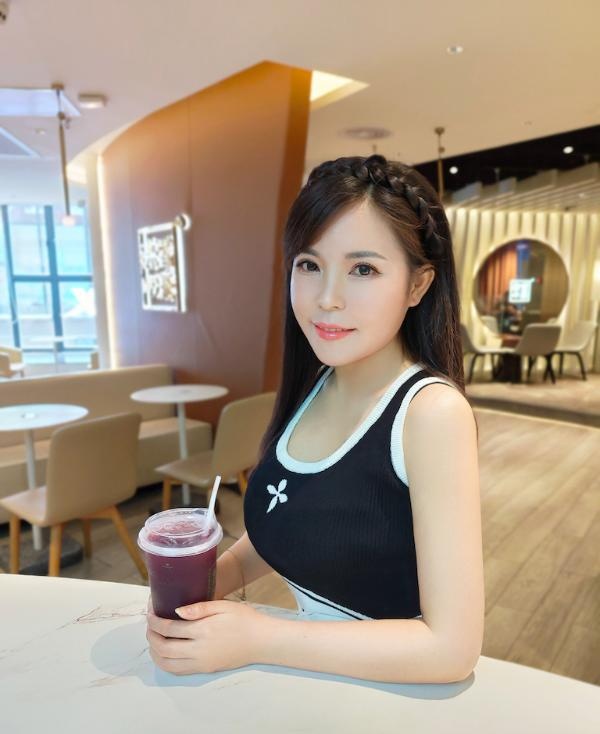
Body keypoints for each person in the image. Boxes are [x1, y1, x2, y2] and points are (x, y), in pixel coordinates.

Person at [146, 154, 484, 684]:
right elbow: (293, 517)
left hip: (390, 697)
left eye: (363, 269)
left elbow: (451, 650)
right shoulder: (318, 382)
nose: (327, 299)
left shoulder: (431, 414)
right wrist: (209, 583)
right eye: (309, 265)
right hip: (313, 681)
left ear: (418, 285)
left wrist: (259, 637)